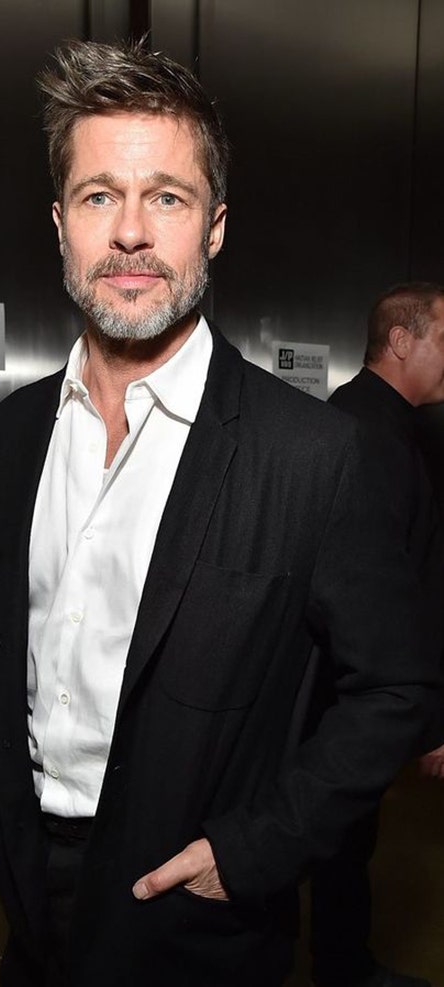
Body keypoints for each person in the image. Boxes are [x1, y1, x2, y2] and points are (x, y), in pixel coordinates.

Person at [0, 41, 440, 987]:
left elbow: (396, 687)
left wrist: (259, 847)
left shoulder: (313, 454)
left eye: (168, 198)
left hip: (194, 918)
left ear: (214, 228)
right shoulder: (14, 432)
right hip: (24, 890)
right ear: (59, 223)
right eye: (99, 195)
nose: (131, 232)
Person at [307, 283, 444, 987]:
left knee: (346, 839)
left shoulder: (380, 423)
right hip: (349, 694)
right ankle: (342, 970)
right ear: (400, 341)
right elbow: (383, 599)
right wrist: (426, 721)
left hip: (354, 690)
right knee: (340, 838)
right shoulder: (366, 435)